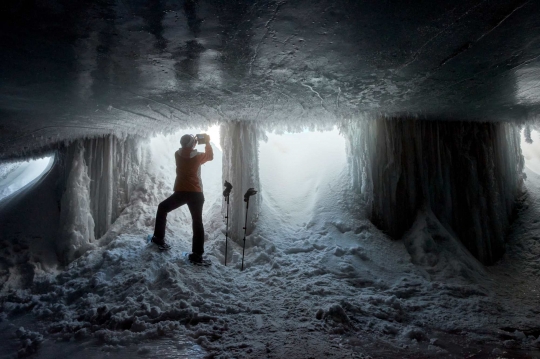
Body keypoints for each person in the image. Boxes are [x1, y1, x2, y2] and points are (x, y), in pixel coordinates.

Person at [149, 133, 213, 263]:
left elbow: (186, 152)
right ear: (192, 144)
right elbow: (210, 156)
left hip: (181, 193)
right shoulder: (197, 156)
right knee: (197, 222)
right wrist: (206, 142)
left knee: (162, 208)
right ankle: (197, 255)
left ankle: (158, 238)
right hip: (196, 194)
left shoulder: (177, 155)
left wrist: (192, 142)